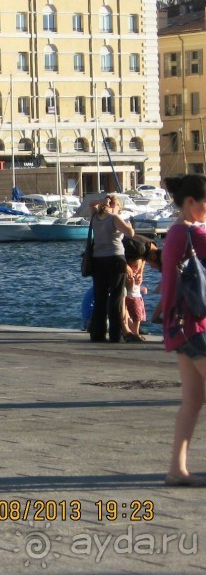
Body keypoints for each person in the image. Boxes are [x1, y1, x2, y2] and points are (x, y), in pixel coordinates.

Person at [161, 174, 206, 487]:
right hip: (197, 326)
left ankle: (177, 468)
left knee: (193, 399)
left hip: (178, 326)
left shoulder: (174, 233)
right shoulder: (195, 233)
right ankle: (177, 469)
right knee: (193, 399)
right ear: (191, 202)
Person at [88, 194, 135, 343]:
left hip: (98, 260)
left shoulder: (95, 217)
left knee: (100, 298)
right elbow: (130, 234)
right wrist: (129, 226)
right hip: (115, 259)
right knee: (115, 298)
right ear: (117, 206)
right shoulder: (114, 218)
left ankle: (98, 334)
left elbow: (90, 203)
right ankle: (115, 335)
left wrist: (101, 200)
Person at [123, 257, 147, 342]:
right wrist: (133, 282)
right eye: (135, 266)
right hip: (132, 297)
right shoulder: (128, 275)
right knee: (136, 316)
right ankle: (135, 332)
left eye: (138, 266)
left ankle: (135, 332)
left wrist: (140, 285)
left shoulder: (137, 273)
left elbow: (144, 259)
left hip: (137, 297)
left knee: (138, 317)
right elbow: (130, 289)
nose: (137, 268)